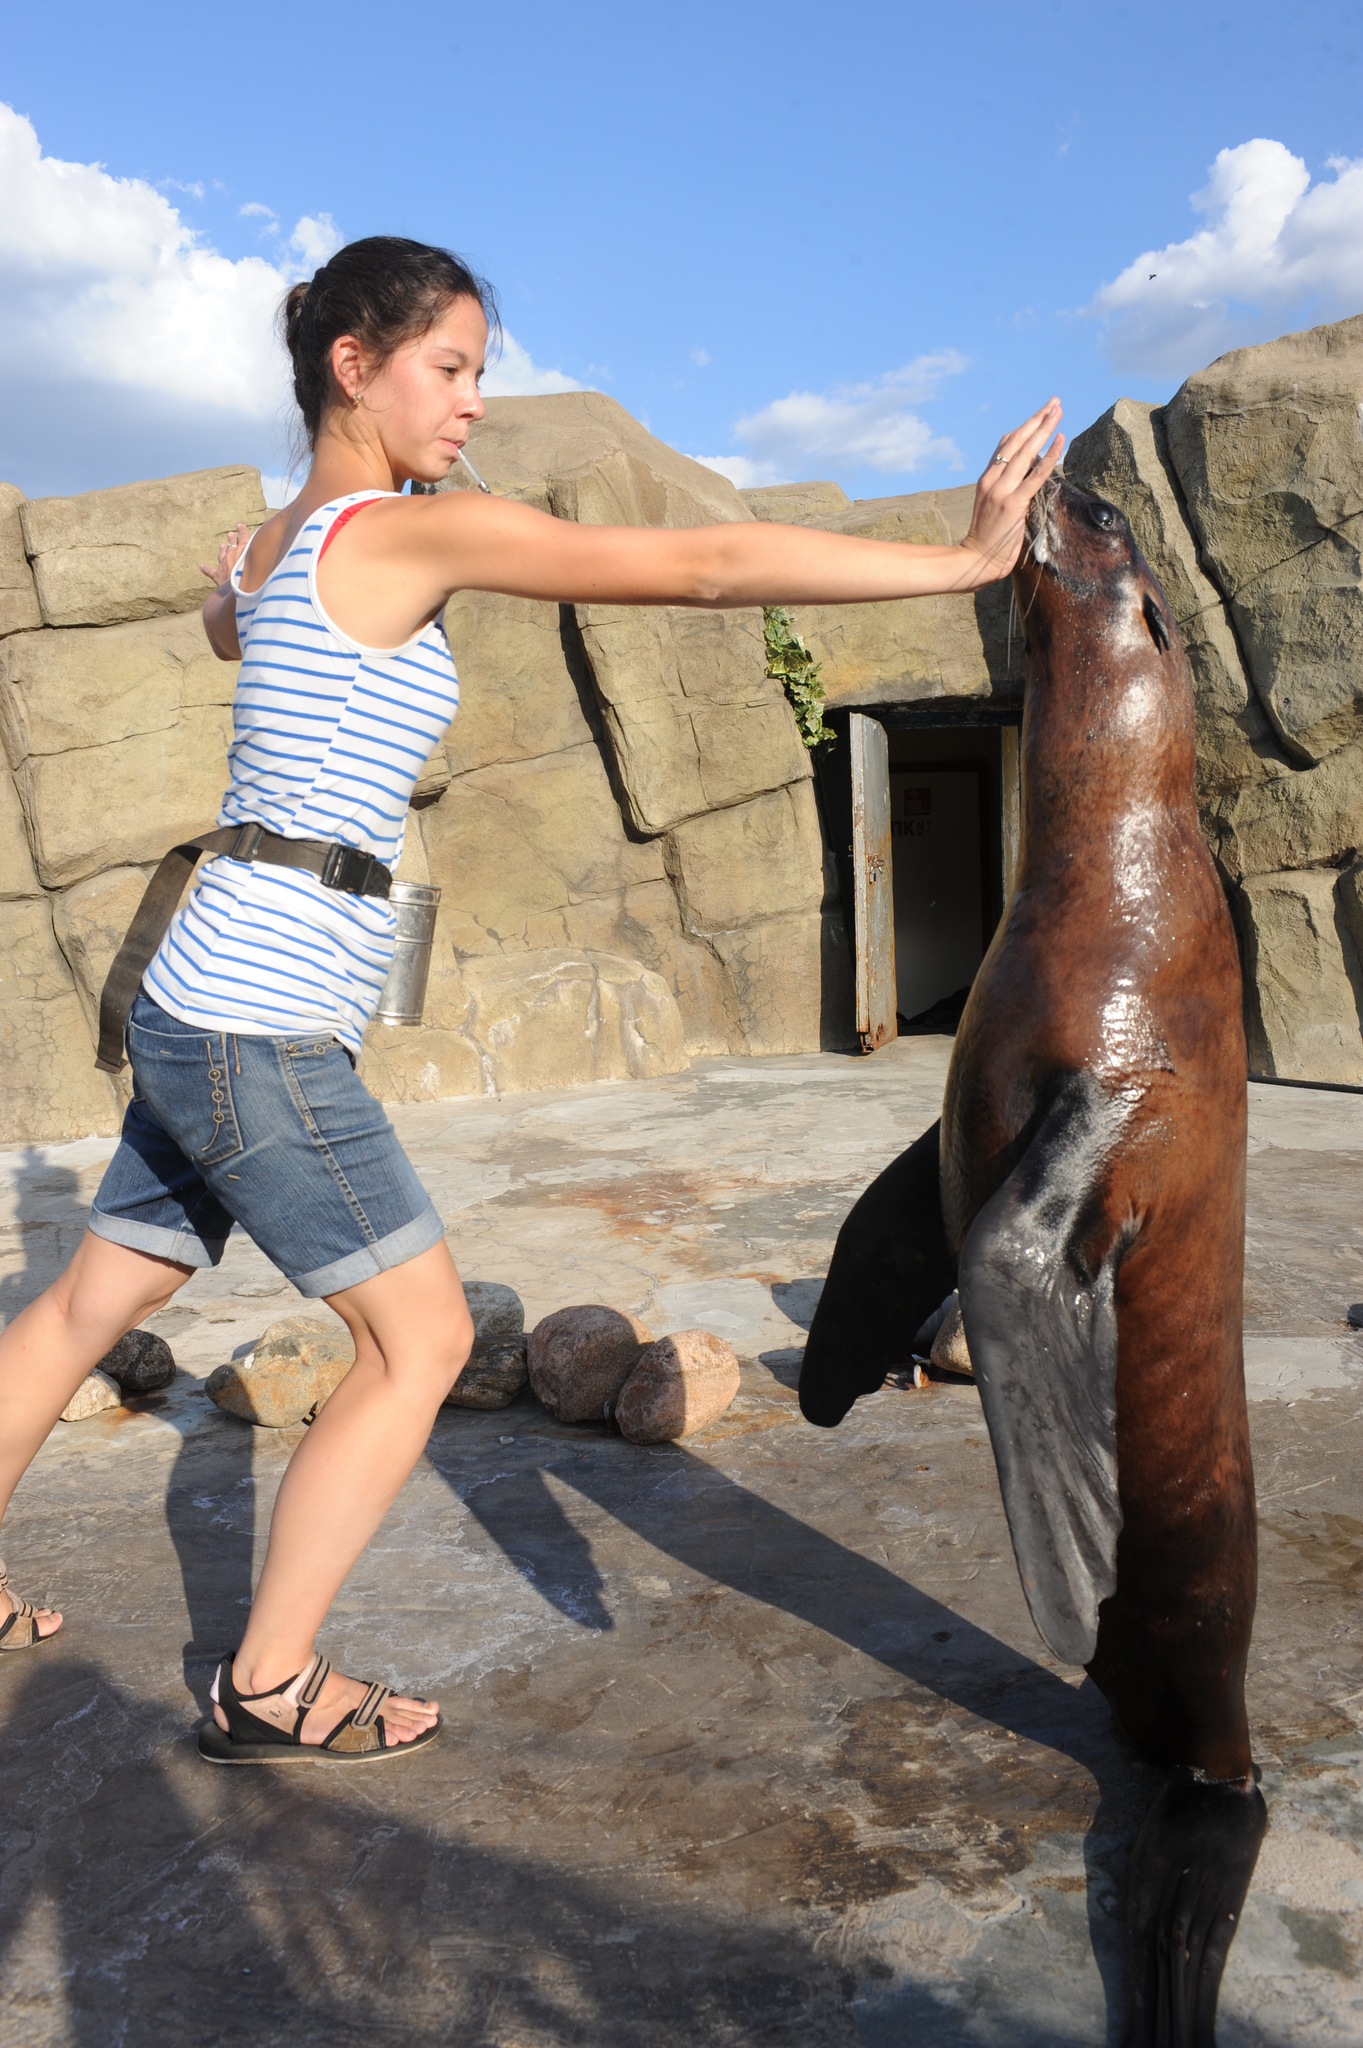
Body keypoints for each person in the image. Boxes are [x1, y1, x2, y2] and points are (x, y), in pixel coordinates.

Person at [0, 236, 1063, 1761]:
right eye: (450, 367)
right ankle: (269, 1681)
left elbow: (225, 622)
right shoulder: (394, 533)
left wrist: (232, 594)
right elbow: (700, 569)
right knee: (419, 1343)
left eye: (479, 373)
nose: (475, 402)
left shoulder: (277, 544)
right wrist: (959, 564)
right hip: (260, 1024)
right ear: (353, 366)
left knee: (84, 1307)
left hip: (195, 998)